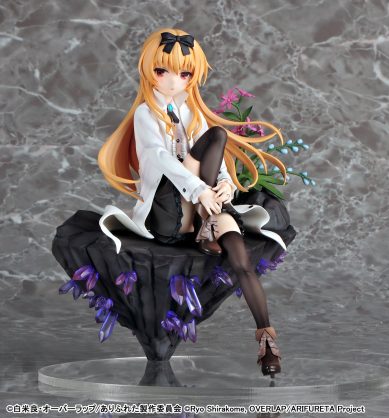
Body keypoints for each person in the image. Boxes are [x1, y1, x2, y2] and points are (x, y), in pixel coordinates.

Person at [98, 28, 289, 377]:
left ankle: (266, 341)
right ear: (149, 70)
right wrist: (199, 189)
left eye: (184, 74)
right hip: (168, 210)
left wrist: (225, 185)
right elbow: (158, 158)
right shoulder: (145, 114)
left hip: (204, 210)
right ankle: (206, 221)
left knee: (241, 258)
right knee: (215, 135)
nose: (174, 81)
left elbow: (215, 158)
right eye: (163, 71)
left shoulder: (192, 112)